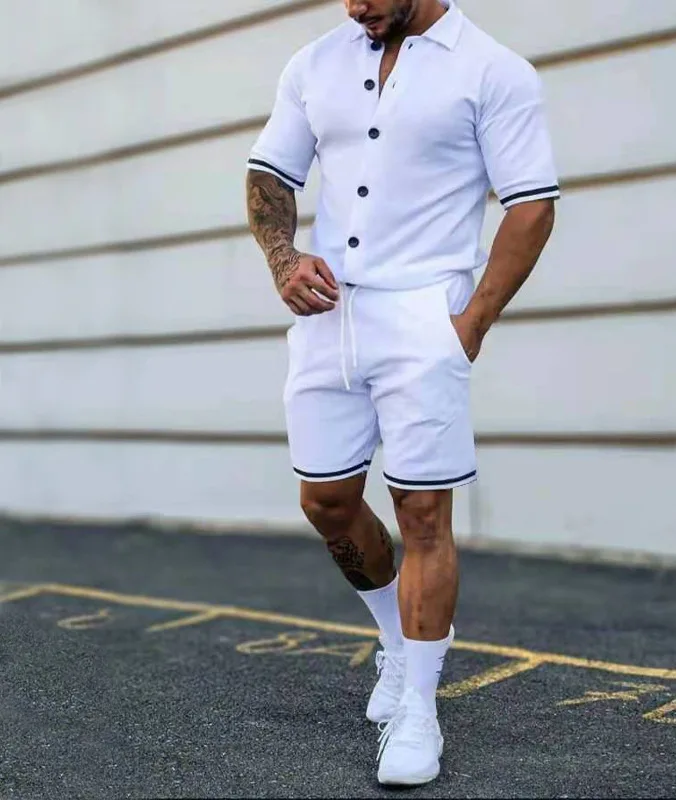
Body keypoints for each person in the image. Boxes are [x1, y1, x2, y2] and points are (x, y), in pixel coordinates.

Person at [245, 0, 558, 786]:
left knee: (422, 512)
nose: (357, 6)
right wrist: (283, 257)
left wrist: (471, 324)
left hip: (424, 316)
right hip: (328, 315)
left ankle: (419, 706)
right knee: (326, 502)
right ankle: (396, 638)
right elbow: (269, 173)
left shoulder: (494, 72)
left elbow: (531, 207)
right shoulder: (315, 62)